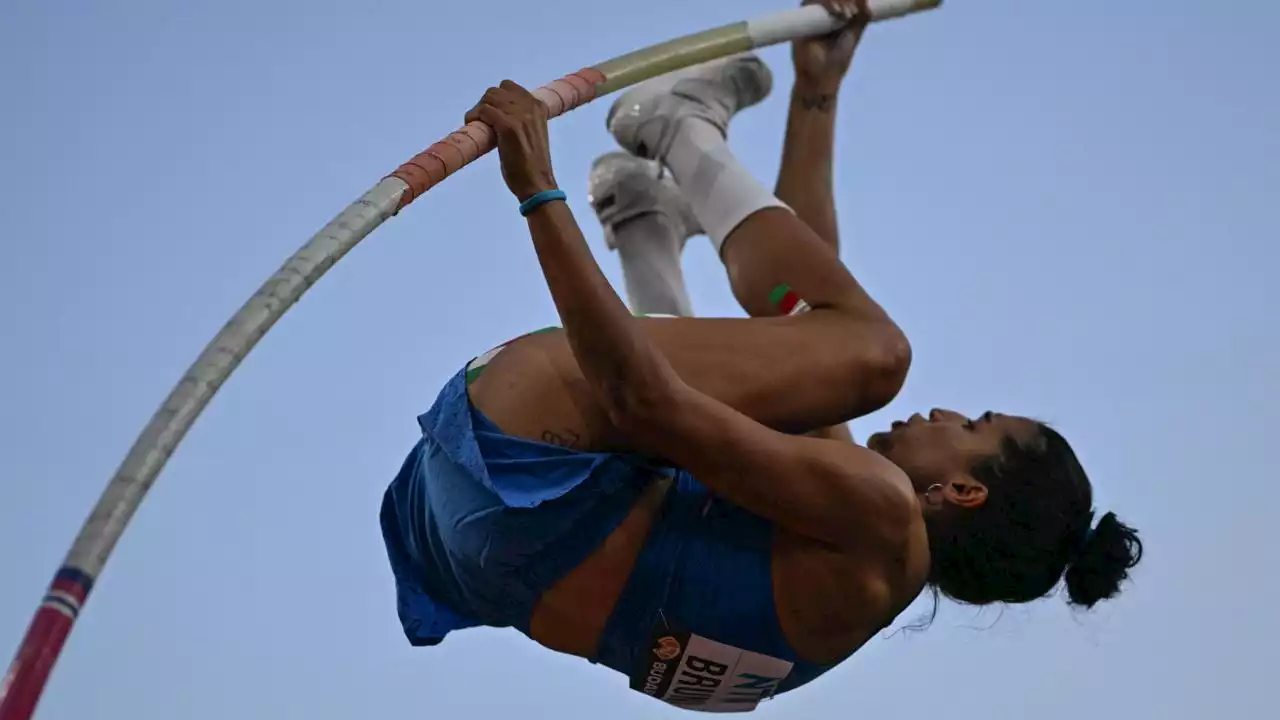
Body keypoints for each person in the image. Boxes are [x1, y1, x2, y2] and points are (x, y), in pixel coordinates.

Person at [378, 1, 1143, 711]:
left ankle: (675, 127)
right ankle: (642, 219)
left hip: (519, 445)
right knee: (785, 391)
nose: (947, 410)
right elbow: (798, 318)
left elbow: (648, 401)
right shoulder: (856, 583)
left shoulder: (878, 509)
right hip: (467, 537)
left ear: (965, 491)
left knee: (875, 355)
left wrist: (537, 190)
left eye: (974, 424)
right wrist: (818, 92)